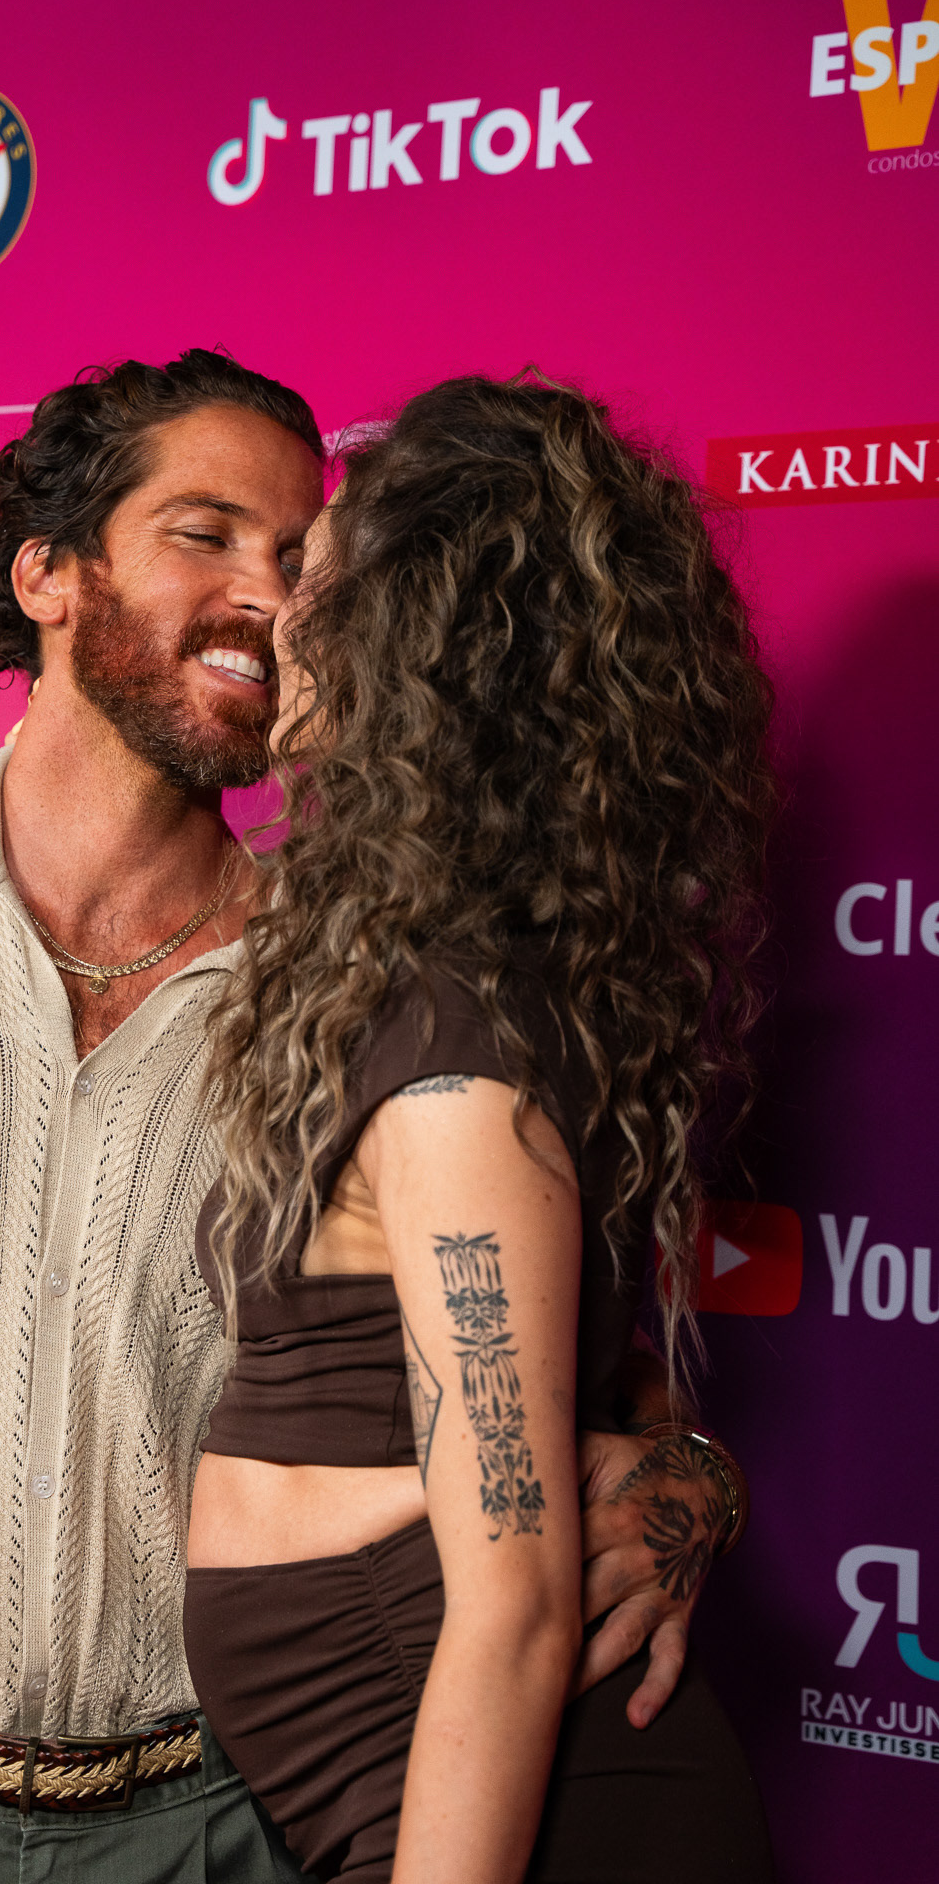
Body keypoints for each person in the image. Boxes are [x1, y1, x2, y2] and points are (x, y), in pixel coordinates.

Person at [0, 352, 734, 1882]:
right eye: (206, 534)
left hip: (208, 1829)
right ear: (45, 573)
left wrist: (686, 1480)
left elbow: (557, 1360)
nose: (264, 591)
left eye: (296, 552)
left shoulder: (355, 992)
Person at [185, 374, 778, 1883]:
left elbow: (511, 1607)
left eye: (312, 577)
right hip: (388, 1777)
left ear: (407, 643)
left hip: (521, 1805)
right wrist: (686, 1468)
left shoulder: (456, 1054)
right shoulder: (426, 985)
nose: (274, 613)